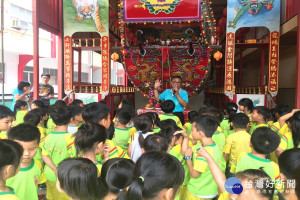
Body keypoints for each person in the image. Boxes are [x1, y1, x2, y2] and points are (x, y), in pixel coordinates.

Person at [195, 145, 275, 200]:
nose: (232, 196)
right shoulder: (229, 196)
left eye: (239, 194)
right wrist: (208, 157)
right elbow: (221, 179)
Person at [183, 115, 224, 199]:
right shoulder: (214, 146)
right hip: (210, 189)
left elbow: (195, 174)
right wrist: (186, 138)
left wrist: (188, 159)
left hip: (198, 192)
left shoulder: (202, 153)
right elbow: (186, 151)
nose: (190, 132)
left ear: (200, 133)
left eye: (192, 130)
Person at [42, 105, 74, 200]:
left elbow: (44, 155)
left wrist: (55, 169)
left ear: (52, 120)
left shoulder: (48, 137)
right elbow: (74, 159)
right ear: (71, 119)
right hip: (65, 175)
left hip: (49, 173)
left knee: (51, 197)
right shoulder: (71, 138)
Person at [6, 124, 42, 200]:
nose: (26, 154)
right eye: (21, 149)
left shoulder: (38, 164)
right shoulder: (4, 169)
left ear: (38, 145)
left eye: (32, 149)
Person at [223, 113, 251, 178]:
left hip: (233, 167)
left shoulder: (230, 137)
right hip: (247, 166)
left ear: (231, 123)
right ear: (247, 125)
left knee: (233, 186)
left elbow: (225, 153)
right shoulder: (250, 137)